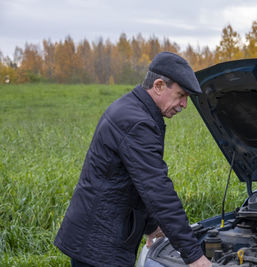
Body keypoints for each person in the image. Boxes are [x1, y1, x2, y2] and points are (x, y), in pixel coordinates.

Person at [54, 52, 212, 267]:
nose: (184, 104)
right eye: (181, 95)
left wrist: (150, 226)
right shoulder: (137, 123)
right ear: (158, 85)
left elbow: (134, 181)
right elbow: (157, 189)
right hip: (100, 244)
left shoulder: (132, 108)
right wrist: (194, 255)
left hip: (96, 235)